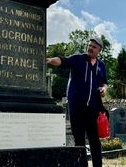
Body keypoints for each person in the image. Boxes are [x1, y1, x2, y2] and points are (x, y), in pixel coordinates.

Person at [46, 37, 108, 167]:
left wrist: (104, 89)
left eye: (94, 47)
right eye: (90, 45)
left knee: (94, 141)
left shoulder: (101, 65)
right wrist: (49, 60)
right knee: (79, 140)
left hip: (93, 108)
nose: (90, 48)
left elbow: (104, 82)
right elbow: (63, 61)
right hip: (76, 107)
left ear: (99, 50)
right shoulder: (78, 59)